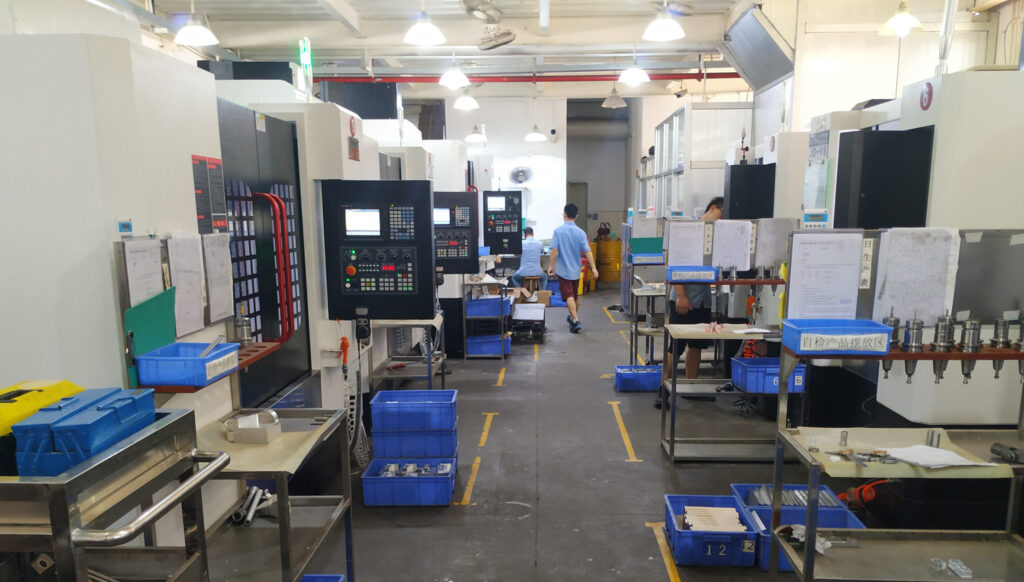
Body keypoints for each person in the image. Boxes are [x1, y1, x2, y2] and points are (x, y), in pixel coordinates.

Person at [656, 197, 723, 408]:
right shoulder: (687, 231)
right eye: (721, 215)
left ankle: (691, 386)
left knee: (696, 344)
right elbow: (674, 264)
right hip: (684, 298)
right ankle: (663, 390)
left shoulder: (713, 235)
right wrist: (681, 295)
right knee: (676, 345)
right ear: (713, 208)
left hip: (703, 299)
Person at [548, 203, 598, 333]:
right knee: (575, 297)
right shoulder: (581, 233)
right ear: (576, 216)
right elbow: (587, 252)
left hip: (563, 271)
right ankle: (572, 318)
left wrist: (550, 266)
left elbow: (554, 251)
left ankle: (576, 320)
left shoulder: (558, 231)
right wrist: (594, 268)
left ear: (564, 214)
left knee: (569, 296)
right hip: (576, 271)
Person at [509, 227, 547, 299]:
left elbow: (516, 254)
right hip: (538, 272)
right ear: (533, 234)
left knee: (514, 278)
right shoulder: (540, 243)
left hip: (523, 272)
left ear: (525, 235)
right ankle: (542, 296)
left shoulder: (521, 243)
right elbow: (542, 252)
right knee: (544, 277)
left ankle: (522, 294)